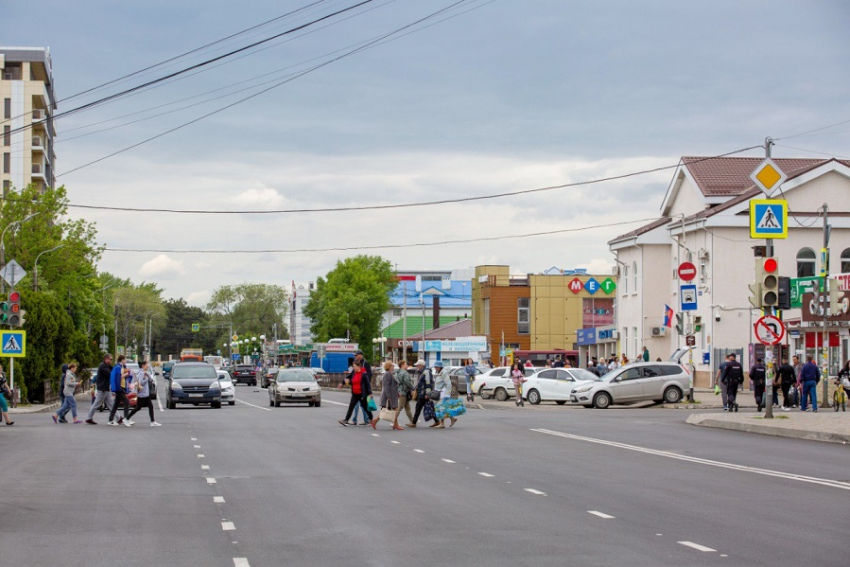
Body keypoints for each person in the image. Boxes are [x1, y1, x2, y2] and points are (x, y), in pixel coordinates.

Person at [126, 361, 161, 426]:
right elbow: (140, 382)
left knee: (149, 406)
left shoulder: (143, 372)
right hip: (142, 394)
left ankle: (153, 421)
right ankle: (127, 418)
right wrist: (146, 380)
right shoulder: (142, 373)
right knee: (138, 408)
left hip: (144, 394)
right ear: (143, 365)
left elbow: (151, 380)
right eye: (146, 365)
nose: (147, 366)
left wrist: (147, 375)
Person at [339, 361, 372, 426]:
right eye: (353, 366)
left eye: (355, 366)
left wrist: (370, 393)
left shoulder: (363, 374)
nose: (353, 368)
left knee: (365, 407)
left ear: (358, 366)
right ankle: (346, 420)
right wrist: (343, 383)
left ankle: (371, 418)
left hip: (361, 394)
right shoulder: (354, 373)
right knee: (351, 407)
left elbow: (367, 384)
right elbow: (348, 378)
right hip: (355, 394)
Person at [371, 361, 402, 430]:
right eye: (392, 366)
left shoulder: (390, 374)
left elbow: (393, 386)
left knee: (389, 410)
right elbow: (386, 386)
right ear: (389, 366)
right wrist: (388, 396)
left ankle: (375, 421)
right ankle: (395, 424)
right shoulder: (387, 374)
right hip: (388, 396)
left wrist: (397, 393)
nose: (393, 367)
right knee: (394, 409)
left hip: (392, 395)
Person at [86, 354, 114, 424]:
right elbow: (110, 374)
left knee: (111, 404)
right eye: (110, 359)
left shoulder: (107, 366)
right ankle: (89, 418)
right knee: (96, 404)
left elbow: (112, 369)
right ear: (106, 359)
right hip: (102, 389)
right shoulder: (102, 366)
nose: (111, 361)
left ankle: (119, 418)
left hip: (106, 388)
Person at [108, 355, 132, 427]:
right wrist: (125, 375)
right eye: (125, 360)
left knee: (116, 404)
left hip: (121, 387)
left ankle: (110, 419)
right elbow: (118, 377)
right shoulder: (118, 367)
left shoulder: (122, 367)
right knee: (126, 402)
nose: (126, 361)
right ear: (122, 360)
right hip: (119, 387)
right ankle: (126, 419)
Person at [409, 360, 434, 428]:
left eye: (418, 365)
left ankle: (413, 422)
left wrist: (427, 394)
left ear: (421, 365)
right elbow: (420, 383)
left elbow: (428, 383)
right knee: (428, 408)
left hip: (424, 393)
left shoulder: (426, 372)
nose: (417, 366)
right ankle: (437, 421)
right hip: (422, 393)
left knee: (420, 407)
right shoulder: (421, 372)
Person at [395, 360, 415, 426]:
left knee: (407, 408)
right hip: (404, 391)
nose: (407, 366)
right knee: (399, 407)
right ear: (402, 365)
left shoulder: (397, 373)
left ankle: (412, 421)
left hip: (399, 390)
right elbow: (407, 382)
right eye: (406, 364)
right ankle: (394, 420)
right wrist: (413, 388)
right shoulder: (405, 373)